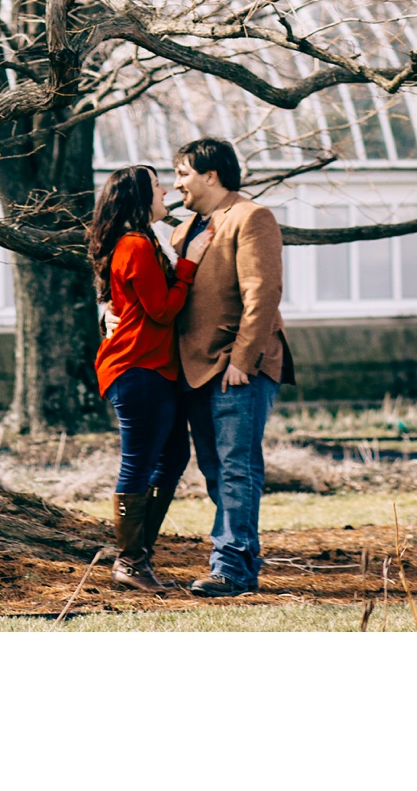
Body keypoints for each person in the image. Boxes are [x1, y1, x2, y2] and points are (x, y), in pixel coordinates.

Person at [171, 137, 292, 597]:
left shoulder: (251, 217)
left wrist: (243, 360)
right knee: (216, 470)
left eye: (183, 173)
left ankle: (232, 569)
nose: (177, 183)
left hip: (236, 369)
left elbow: (262, 294)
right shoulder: (184, 231)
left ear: (210, 174)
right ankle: (239, 561)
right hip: (194, 369)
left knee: (237, 467)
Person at [88, 164, 201, 593]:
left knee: (172, 458)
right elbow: (163, 310)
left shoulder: (143, 242)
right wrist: (189, 266)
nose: (166, 192)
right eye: (157, 186)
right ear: (139, 197)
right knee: (138, 463)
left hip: (152, 368)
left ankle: (138, 554)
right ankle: (130, 561)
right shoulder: (136, 245)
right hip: (137, 368)